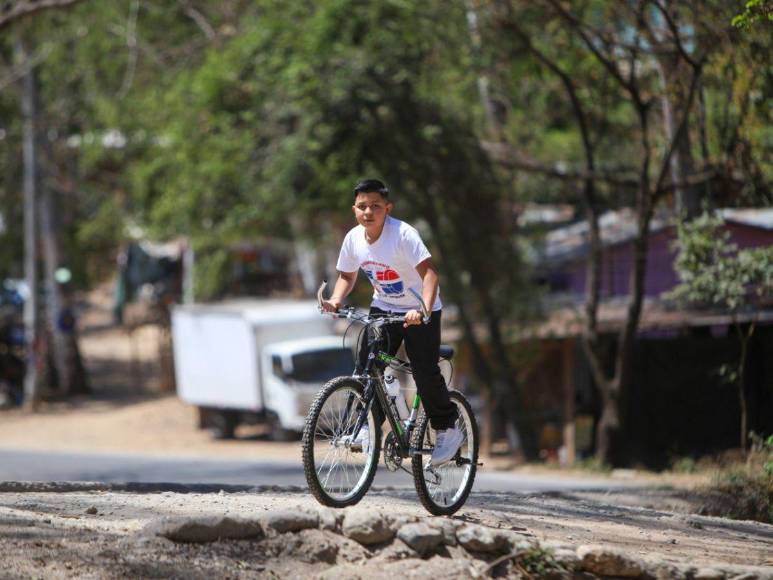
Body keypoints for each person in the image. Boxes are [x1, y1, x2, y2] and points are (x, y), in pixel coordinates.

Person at [321, 179, 463, 464]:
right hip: (384, 307)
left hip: (420, 310)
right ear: (354, 210)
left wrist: (422, 309)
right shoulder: (353, 239)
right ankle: (365, 426)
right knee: (366, 365)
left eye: (375, 206)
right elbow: (347, 276)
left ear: (388, 208)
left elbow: (430, 274)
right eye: (362, 206)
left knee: (423, 369)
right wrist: (336, 300)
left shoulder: (403, 235)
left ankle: (447, 427)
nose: (368, 212)